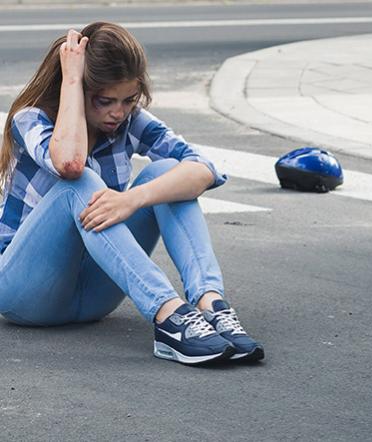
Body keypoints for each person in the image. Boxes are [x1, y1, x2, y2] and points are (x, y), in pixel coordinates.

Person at [0, 22, 264, 365]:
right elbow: (69, 163)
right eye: (105, 101)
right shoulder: (31, 119)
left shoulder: (128, 121)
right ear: (80, 89)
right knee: (79, 183)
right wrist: (72, 80)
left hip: (94, 296)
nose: (118, 112)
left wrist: (132, 199)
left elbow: (203, 169)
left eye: (128, 100)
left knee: (167, 171)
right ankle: (169, 316)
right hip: (25, 290)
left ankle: (210, 303)